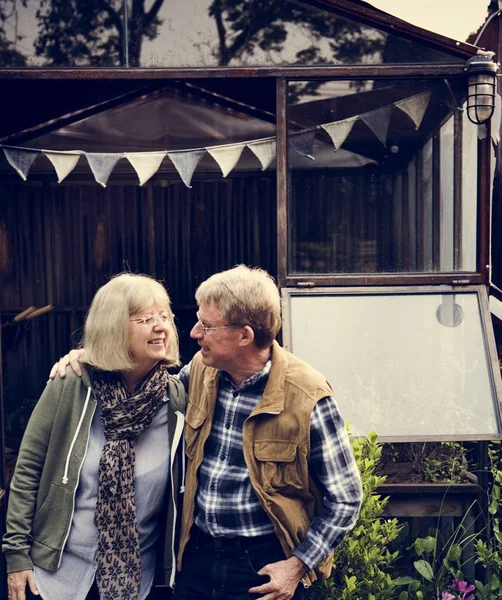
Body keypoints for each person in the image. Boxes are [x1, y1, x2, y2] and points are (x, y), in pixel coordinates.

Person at [48, 265, 363, 600]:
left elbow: (346, 497)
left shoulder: (307, 396)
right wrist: (88, 357)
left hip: (263, 567)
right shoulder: (199, 371)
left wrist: (298, 565)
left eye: (207, 326)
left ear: (244, 335)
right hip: (196, 558)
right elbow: (145, 390)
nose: (194, 333)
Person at [3, 273, 187, 600]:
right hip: (54, 577)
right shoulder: (71, 385)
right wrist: (16, 555)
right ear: (113, 327)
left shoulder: (176, 400)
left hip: (134, 582)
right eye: (145, 318)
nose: (160, 327)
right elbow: (28, 469)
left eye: (164, 317)